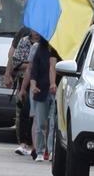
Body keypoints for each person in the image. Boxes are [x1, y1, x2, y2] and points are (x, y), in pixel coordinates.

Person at [28, 31, 58, 161]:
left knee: (52, 124)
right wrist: (33, 86)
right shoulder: (39, 50)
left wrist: (53, 84)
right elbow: (33, 72)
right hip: (41, 91)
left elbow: (54, 67)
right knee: (40, 124)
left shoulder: (58, 51)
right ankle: (40, 151)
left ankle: (51, 151)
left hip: (56, 92)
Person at [10, 27, 39, 156]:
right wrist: (32, 64)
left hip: (41, 82)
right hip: (25, 81)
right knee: (25, 111)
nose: (37, 32)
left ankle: (35, 145)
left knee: (37, 114)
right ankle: (23, 143)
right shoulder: (24, 41)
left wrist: (30, 63)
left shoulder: (47, 44)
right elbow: (16, 62)